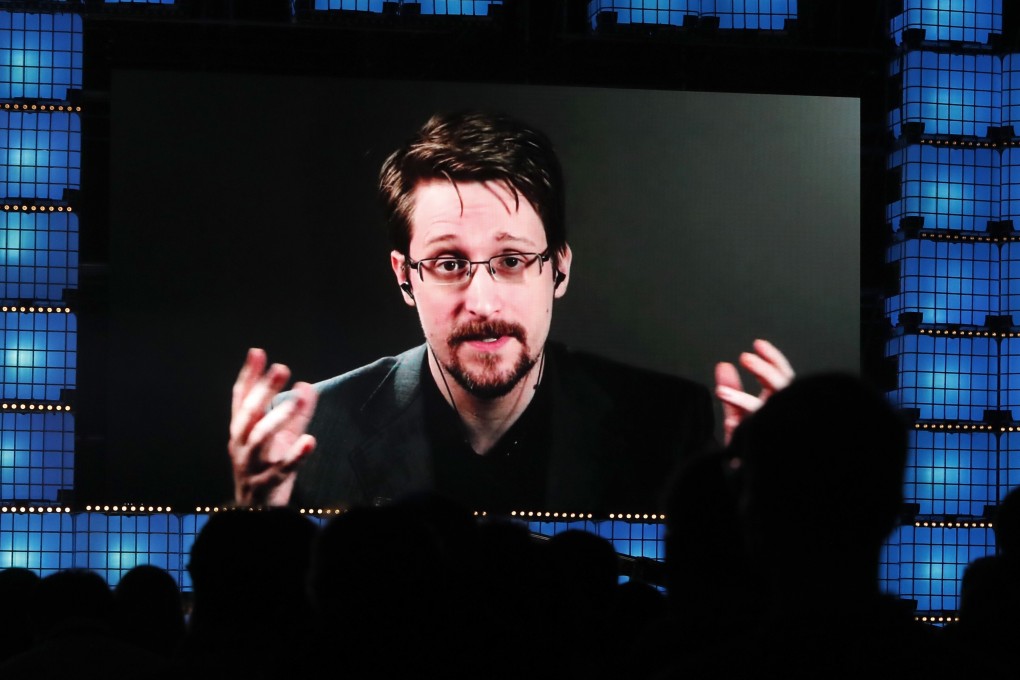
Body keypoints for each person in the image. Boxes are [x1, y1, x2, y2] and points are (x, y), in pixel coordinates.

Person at [227, 110, 794, 514]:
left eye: (512, 260)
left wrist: (764, 514)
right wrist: (255, 523)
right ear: (405, 277)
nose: (483, 300)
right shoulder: (306, 436)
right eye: (449, 263)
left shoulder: (670, 429)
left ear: (559, 270)